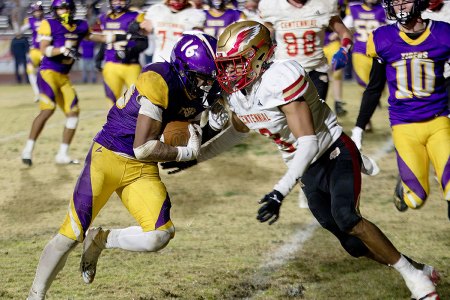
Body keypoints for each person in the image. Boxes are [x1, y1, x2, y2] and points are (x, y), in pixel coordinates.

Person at [166, 21, 441, 299]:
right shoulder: (239, 95)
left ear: (260, 56)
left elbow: (308, 142)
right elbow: (238, 131)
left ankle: (415, 280)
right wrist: (197, 157)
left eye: (237, 62)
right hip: (304, 166)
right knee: (353, 246)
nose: (230, 71)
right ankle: (416, 268)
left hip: (331, 150)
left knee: (347, 218)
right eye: (226, 64)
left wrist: (279, 192)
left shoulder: (280, 77)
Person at [27, 32, 220, 300]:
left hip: (142, 169)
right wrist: (184, 153)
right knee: (70, 235)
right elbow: (143, 147)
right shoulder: (159, 80)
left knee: (160, 235)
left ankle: (101, 239)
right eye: (204, 77)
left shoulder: (198, 92)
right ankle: (35, 296)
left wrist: (208, 126)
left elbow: (184, 130)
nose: (208, 83)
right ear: (185, 70)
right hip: (108, 158)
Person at [350, 0, 450, 216]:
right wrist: (358, 129)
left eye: (405, 0)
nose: (400, 6)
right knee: (415, 199)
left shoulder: (443, 33)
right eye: (395, 2)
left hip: (439, 120)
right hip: (404, 126)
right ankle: (404, 185)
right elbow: (374, 88)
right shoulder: (382, 37)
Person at [20, 0, 139, 166]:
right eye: (60, 8)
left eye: (66, 7)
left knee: (73, 113)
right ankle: (27, 149)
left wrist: (123, 36)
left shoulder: (80, 26)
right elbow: (44, 49)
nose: (64, 11)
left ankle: (62, 154)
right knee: (48, 110)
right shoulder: (49, 24)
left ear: (72, 9)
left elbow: (95, 37)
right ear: (55, 10)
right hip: (48, 73)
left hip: (64, 76)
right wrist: (63, 50)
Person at [258, 0, 353, 117]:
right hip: (286, 72)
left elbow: (344, 33)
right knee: (290, 118)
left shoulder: (323, 4)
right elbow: (262, 37)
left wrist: (344, 49)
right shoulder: (273, 6)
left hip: (316, 70)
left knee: (316, 118)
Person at [95, 0, 149, 104]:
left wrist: (129, 52)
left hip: (131, 65)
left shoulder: (137, 16)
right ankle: (114, 120)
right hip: (110, 65)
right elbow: (104, 40)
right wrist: (99, 56)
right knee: (112, 100)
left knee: (138, 99)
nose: (118, 3)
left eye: (121, 0)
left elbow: (143, 43)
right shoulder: (104, 18)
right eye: (115, 0)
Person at [141, 0, 206, 63]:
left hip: (181, 62)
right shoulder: (157, 10)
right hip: (159, 60)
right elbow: (145, 31)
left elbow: (199, 41)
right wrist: (139, 28)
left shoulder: (195, 14)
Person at [20, 1, 44, 102]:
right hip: (34, 50)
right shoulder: (30, 20)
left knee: (46, 72)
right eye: (35, 11)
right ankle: (37, 93)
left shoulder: (48, 20)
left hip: (45, 50)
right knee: (30, 70)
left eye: (38, 11)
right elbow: (21, 30)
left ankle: (47, 91)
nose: (37, 13)